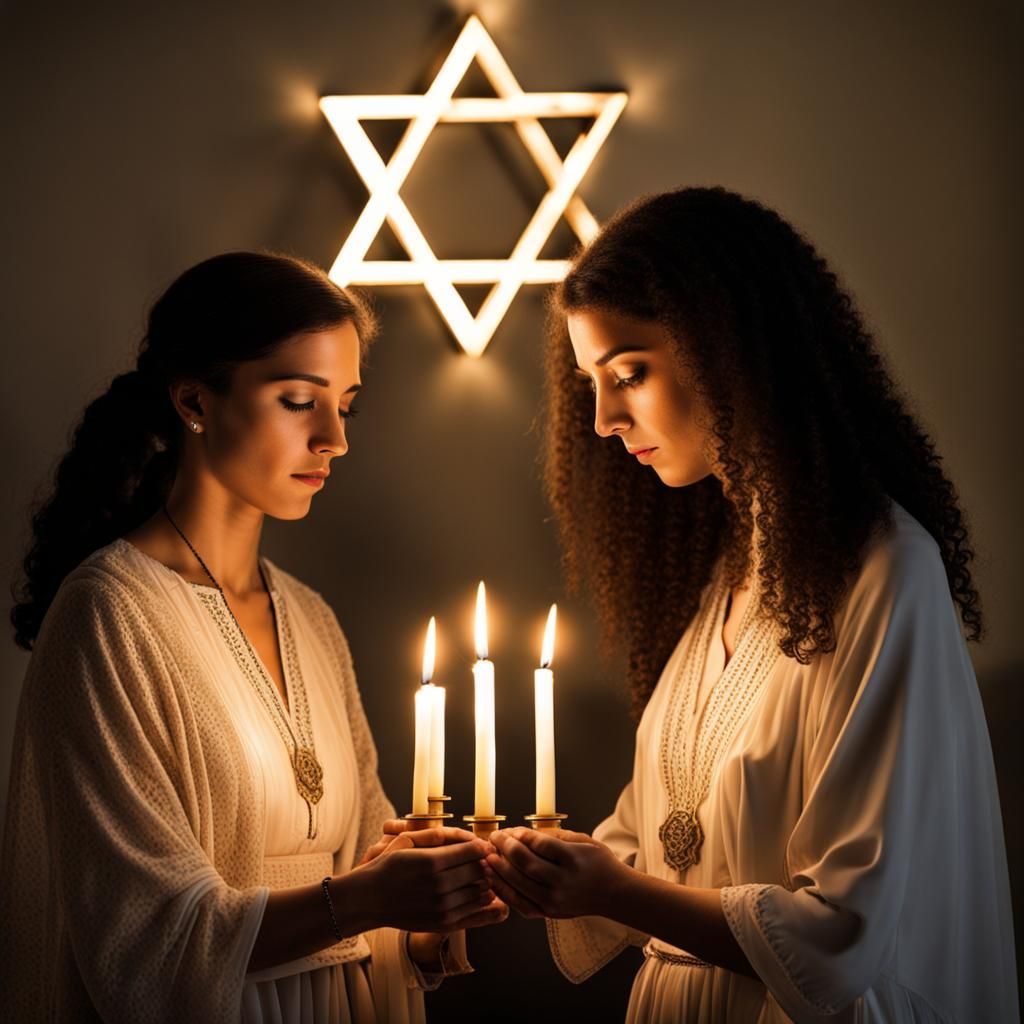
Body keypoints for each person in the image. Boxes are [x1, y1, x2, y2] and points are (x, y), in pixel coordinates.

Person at [484, 187, 1018, 1021]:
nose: (601, 420)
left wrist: (614, 889)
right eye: (591, 382)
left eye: (629, 373)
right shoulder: (733, 571)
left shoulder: (884, 574)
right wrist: (538, 869)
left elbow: (841, 929)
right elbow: (663, 838)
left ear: (733, 349)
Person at [1, 252, 507, 1023]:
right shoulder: (107, 618)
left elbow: (363, 873)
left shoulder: (311, 620)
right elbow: (139, 939)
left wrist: (425, 923)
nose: (334, 437)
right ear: (195, 400)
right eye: (299, 400)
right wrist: (368, 895)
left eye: (348, 404)